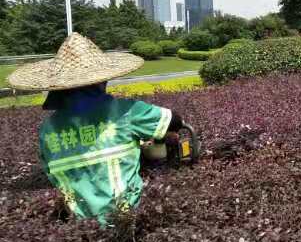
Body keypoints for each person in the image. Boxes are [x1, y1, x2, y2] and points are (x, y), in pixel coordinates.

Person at [8, 33, 185, 225]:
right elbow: (173, 120)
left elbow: (51, 171)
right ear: (101, 81)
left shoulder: (47, 129)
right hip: (125, 217)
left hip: (79, 224)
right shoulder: (125, 112)